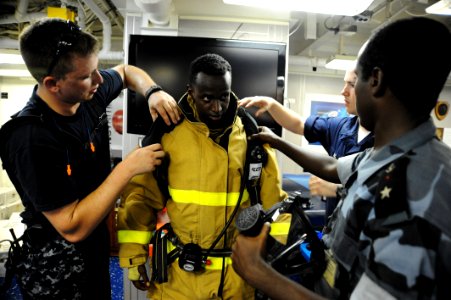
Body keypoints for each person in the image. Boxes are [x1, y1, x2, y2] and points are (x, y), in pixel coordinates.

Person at [232, 17, 451, 299]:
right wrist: (276, 141)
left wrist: (257, 273)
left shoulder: (412, 197)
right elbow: (334, 166)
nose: (348, 90)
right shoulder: (388, 155)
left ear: (376, 81)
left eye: (355, 79)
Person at [0, 18, 180, 299]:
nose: (99, 80)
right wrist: (128, 168)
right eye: (87, 76)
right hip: (58, 267)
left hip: (94, 251)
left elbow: (126, 71)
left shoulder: (88, 94)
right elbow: (72, 227)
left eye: (96, 70)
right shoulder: (29, 138)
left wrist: (152, 92)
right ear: (52, 83)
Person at [117, 53, 288, 299]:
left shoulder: (253, 137)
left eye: (223, 97)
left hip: (238, 281)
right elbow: (140, 197)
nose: (217, 107)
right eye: (207, 98)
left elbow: (275, 203)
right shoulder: (168, 133)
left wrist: (278, 257)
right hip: (180, 280)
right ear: (191, 91)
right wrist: (133, 257)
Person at [239, 66, 374, 221]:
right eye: (345, 83)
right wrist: (272, 105)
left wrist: (339, 190)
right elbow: (300, 124)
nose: (343, 91)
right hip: (334, 234)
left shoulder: (388, 139)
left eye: (352, 84)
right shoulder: (341, 126)